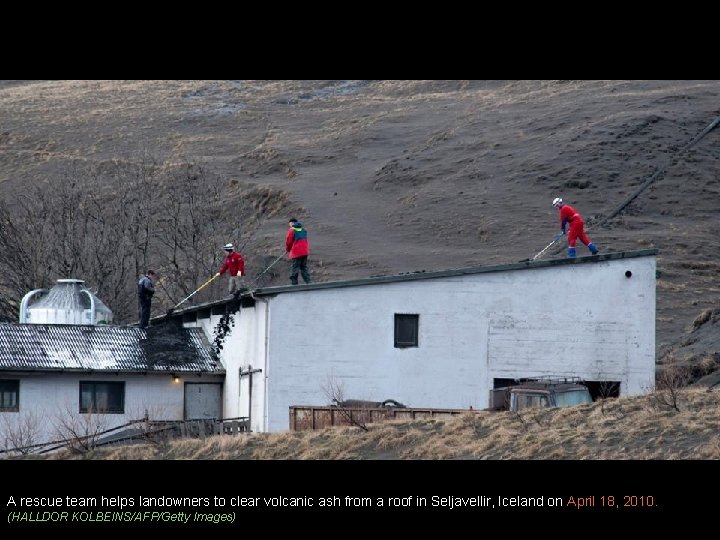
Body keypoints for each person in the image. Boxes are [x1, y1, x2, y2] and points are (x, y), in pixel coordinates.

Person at [286, 218, 311, 285]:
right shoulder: (303, 230)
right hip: (305, 252)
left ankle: (294, 284)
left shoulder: (291, 230)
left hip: (296, 252)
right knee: (304, 267)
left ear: (291, 223)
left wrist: (288, 249)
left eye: (289, 224)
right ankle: (308, 282)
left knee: (295, 268)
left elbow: (289, 242)